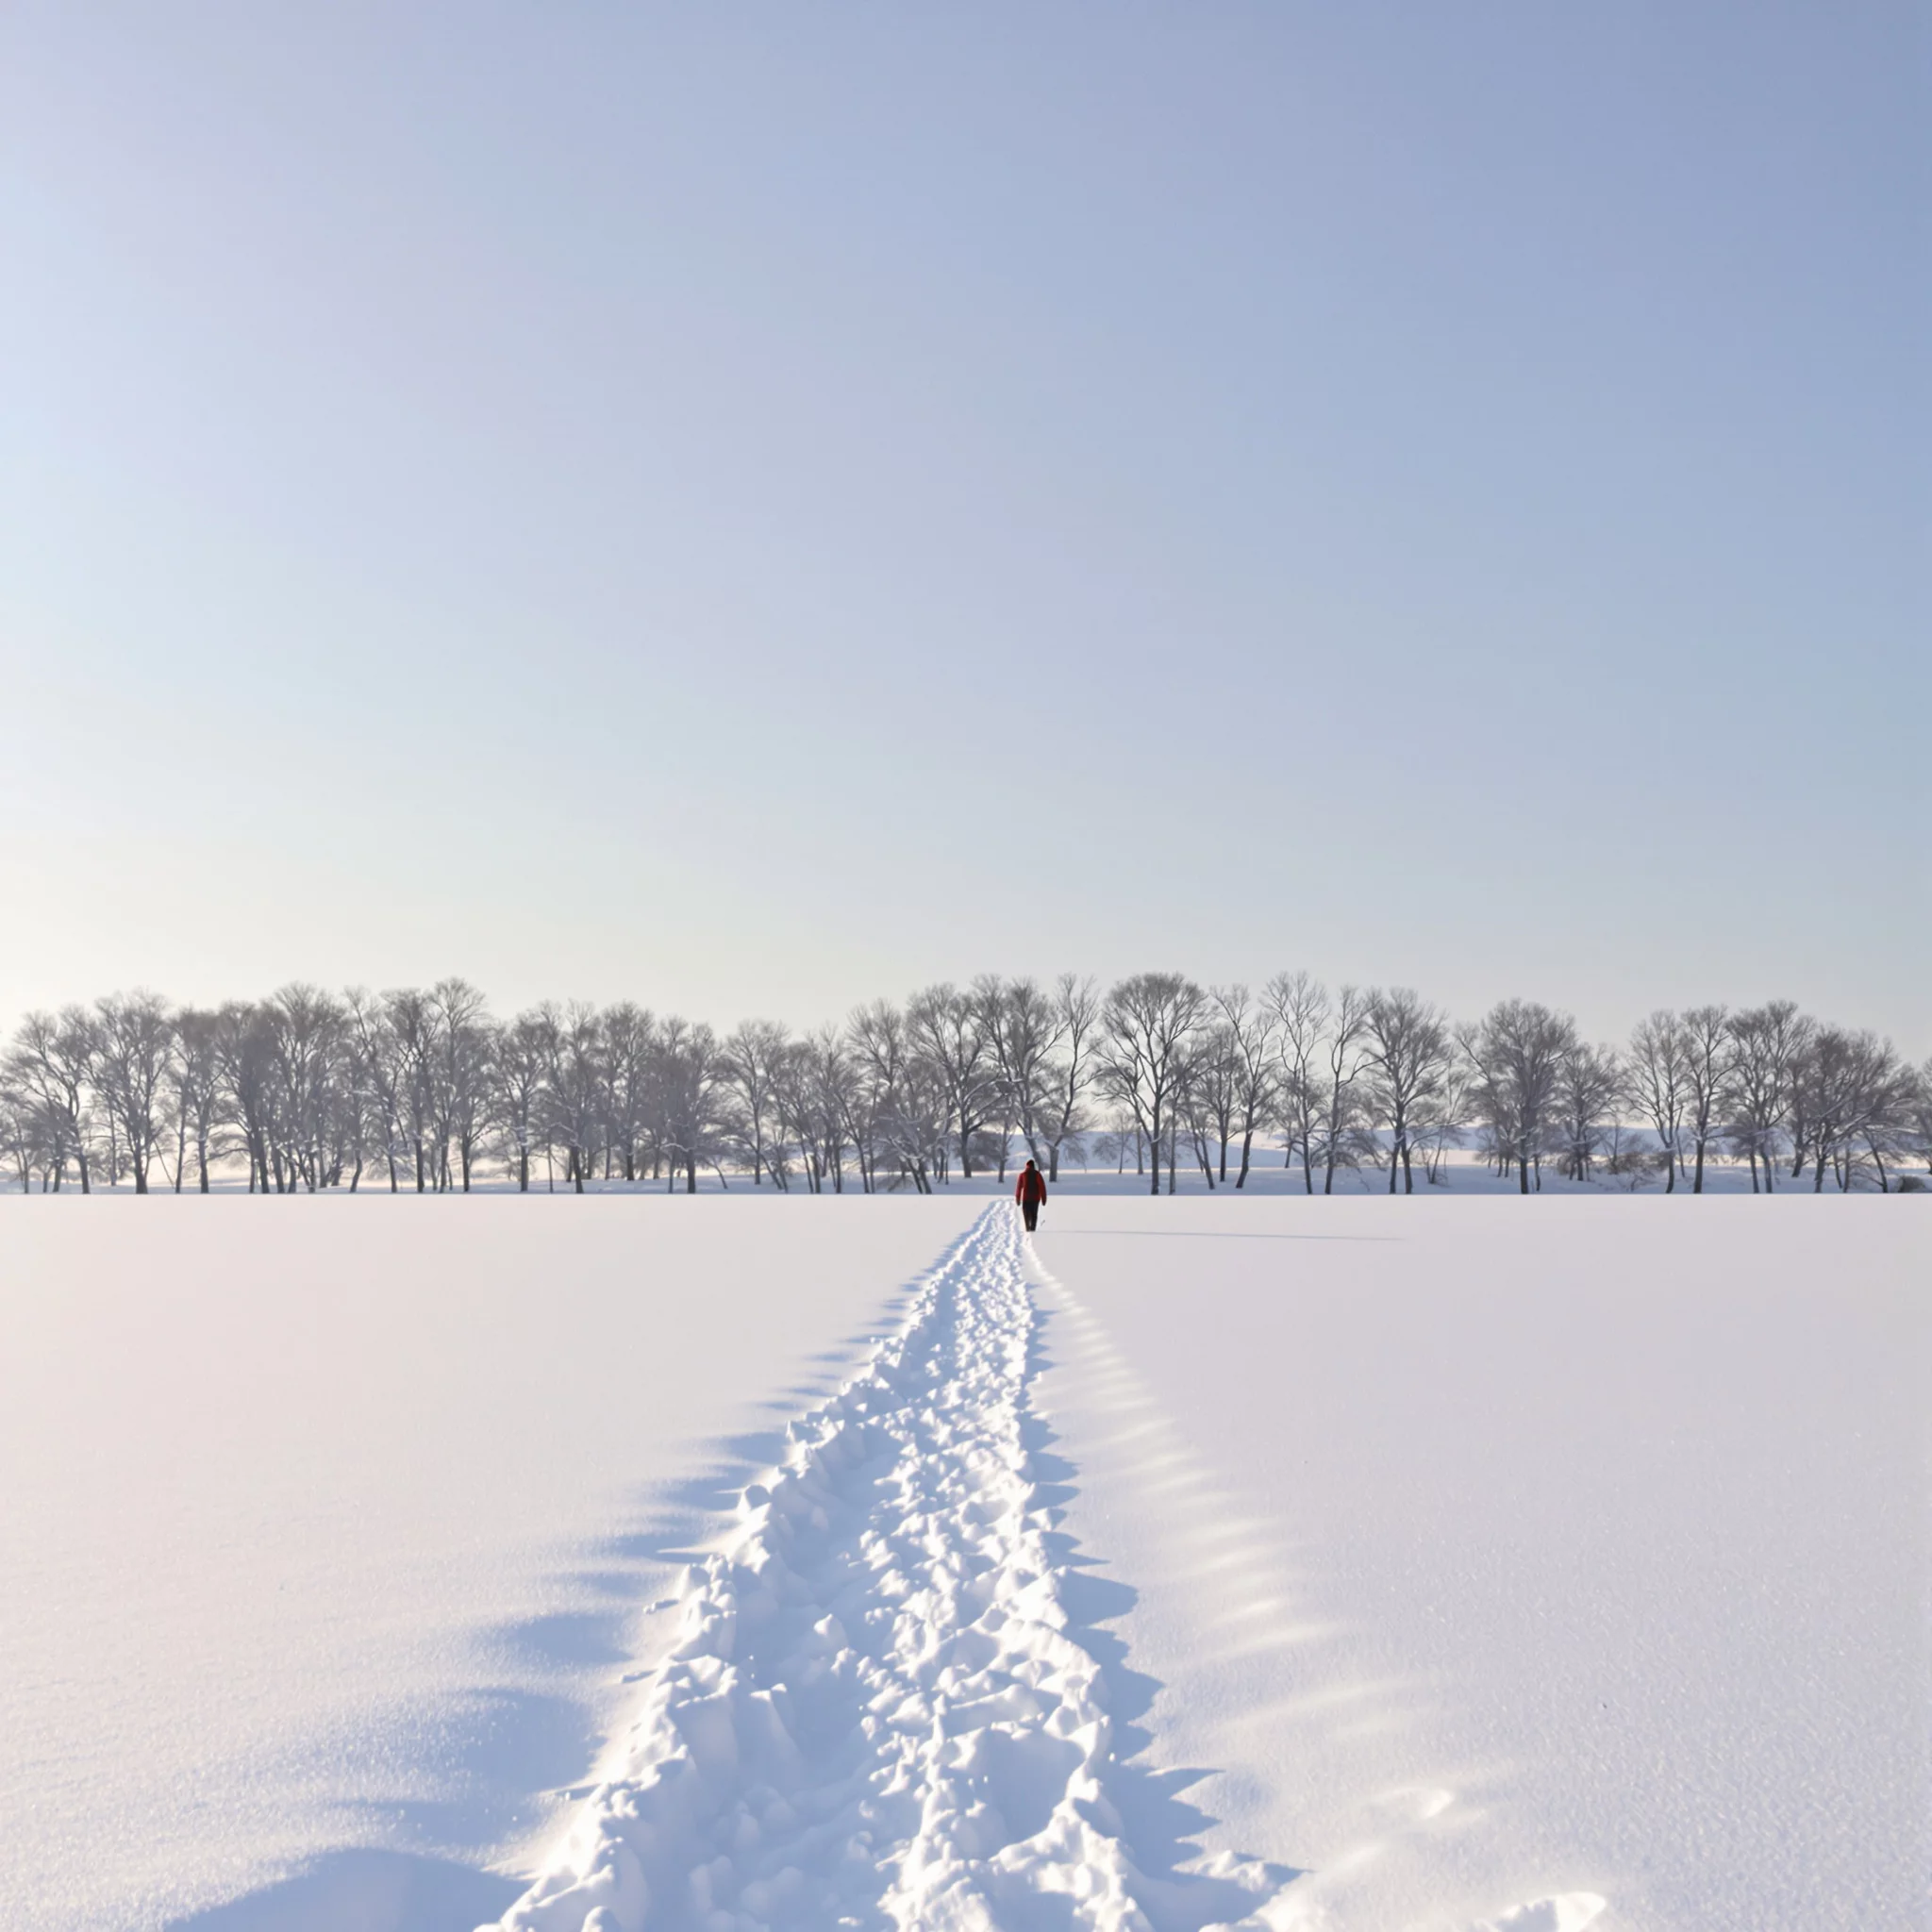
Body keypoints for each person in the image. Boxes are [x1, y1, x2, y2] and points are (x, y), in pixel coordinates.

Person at [1015, 1157, 1047, 1234]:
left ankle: (1027, 1229)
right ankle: (1033, 1230)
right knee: (1034, 1215)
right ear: (1033, 1166)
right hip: (1035, 1199)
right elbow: (1042, 1187)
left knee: (1026, 1215)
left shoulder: (1022, 1175)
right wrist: (1044, 1199)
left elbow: (1018, 1188)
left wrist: (1018, 1199)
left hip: (1026, 1199)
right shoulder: (1037, 1174)